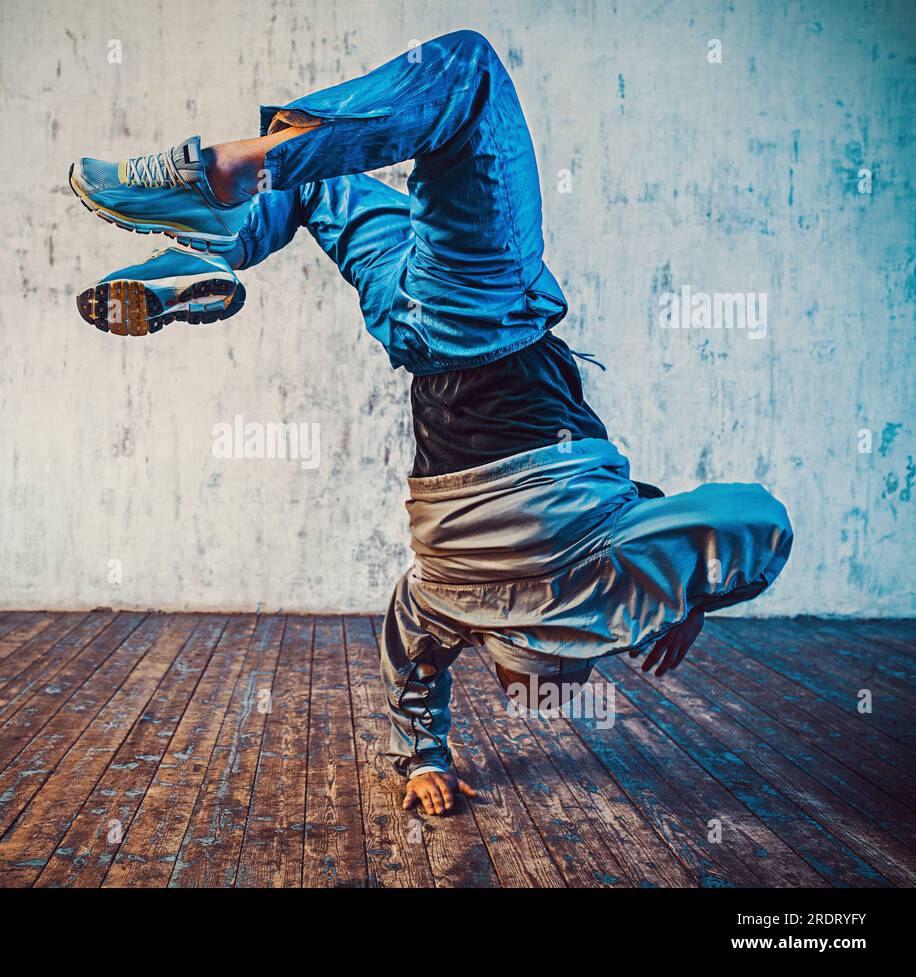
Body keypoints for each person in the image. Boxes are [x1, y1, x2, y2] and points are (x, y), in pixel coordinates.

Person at [68, 30, 793, 817]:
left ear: (580, 638)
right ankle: (201, 258)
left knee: (469, 74)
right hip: (415, 335)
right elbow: (411, 672)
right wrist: (422, 760)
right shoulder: (445, 599)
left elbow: (759, 521)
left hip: (479, 315)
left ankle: (206, 179)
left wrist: (688, 598)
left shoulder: (605, 577)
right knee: (322, 185)